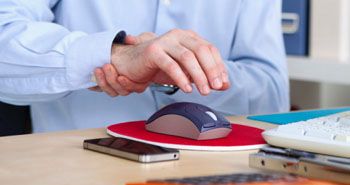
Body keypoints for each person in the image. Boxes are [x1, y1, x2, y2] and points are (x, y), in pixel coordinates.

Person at [0, 0, 289, 133]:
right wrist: (116, 56)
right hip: (74, 173)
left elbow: (272, 99)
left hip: (210, 175)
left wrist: (176, 73)